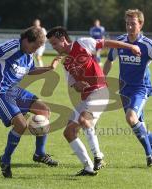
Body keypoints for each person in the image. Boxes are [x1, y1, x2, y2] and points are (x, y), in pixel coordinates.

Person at [46, 26, 141, 176]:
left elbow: (107, 43)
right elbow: (73, 85)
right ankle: (88, 167)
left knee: (84, 120)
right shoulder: (66, 63)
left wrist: (131, 46)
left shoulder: (83, 43)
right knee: (69, 132)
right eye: (51, 44)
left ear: (63, 39)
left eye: (54, 43)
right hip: (86, 98)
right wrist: (78, 85)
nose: (53, 47)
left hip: (100, 92)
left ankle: (99, 157)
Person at [0, 26, 60, 178]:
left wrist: (49, 68)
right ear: (26, 40)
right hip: (0, 91)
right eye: (34, 46)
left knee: (44, 111)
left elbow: (30, 71)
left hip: (14, 90)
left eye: (38, 48)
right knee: (21, 125)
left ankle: (39, 153)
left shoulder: (28, 54)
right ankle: (5, 159)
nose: (35, 50)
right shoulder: (13, 46)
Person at [103, 9, 152, 167]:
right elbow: (109, 60)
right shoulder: (120, 41)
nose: (129, 27)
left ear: (140, 24)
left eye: (133, 24)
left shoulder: (147, 44)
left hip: (141, 89)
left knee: (131, 118)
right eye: (127, 23)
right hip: (124, 90)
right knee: (138, 124)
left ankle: (150, 156)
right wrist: (101, 80)